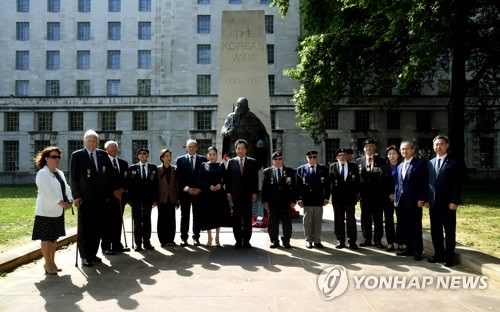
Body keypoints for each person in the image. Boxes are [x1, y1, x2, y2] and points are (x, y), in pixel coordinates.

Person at [71, 129, 115, 267]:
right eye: (89, 140)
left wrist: (109, 194)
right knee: (85, 229)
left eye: (94, 140)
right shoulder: (77, 155)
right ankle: (84, 256)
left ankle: (93, 254)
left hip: (101, 199)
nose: (92, 143)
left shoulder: (103, 154)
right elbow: (74, 178)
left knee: (97, 228)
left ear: (98, 142)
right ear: (84, 141)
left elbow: (109, 175)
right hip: (85, 198)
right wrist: (76, 196)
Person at [32, 146, 73, 275]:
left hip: (58, 212)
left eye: (58, 157)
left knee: (54, 239)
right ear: (46, 158)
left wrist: (70, 200)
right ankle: (47, 263)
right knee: (46, 239)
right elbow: (46, 191)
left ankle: (52, 262)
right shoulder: (42, 173)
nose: (57, 159)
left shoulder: (59, 172)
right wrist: (60, 202)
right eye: (54, 157)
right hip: (45, 212)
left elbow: (66, 188)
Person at [428, 135, 462, 267]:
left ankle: (449, 258)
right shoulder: (430, 163)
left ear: (447, 145)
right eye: (436, 144)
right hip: (434, 204)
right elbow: (428, 184)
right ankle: (438, 255)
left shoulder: (454, 162)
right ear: (433, 146)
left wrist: (455, 201)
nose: (438, 146)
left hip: (448, 204)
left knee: (449, 231)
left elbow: (457, 184)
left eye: (441, 144)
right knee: (435, 230)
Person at [394, 141, 429, 261]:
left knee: (415, 226)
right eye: (402, 149)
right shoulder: (399, 165)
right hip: (401, 202)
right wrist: (396, 197)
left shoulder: (420, 164)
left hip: (415, 201)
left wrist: (422, 198)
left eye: (407, 149)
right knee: (405, 226)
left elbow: (424, 183)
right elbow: (398, 184)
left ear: (413, 150)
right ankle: (408, 249)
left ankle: (418, 251)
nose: (404, 151)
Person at [225, 139, 259, 249]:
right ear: (235, 150)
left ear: (246, 150)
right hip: (235, 196)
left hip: (248, 195)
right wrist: (228, 193)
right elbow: (228, 179)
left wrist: (254, 192)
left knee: (248, 219)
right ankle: (238, 240)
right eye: (238, 148)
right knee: (236, 219)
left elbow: (255, 179)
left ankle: (247, 241)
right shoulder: (231, 162)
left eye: (243, 148)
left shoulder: (252, 162)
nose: (240, 150)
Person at [175, 139, 207, 246]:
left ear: (197, 147)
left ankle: (196, 238)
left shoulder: (203, 159)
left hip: (198, 193)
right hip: (185, 193)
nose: (191, 148)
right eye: (189, 147)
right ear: (186, 148)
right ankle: (184, 238)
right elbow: (178, 178)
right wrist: (186, 188)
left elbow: (205, 177)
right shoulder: (180, 160)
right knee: (185, 216)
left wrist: (199, 188)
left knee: (197, 215)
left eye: (193, 146)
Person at [356, 139, 387, 248]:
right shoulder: (359, 161)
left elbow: (385, 178)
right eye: (367, 147)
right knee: (365, 219)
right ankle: (367, 239)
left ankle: (378, 240)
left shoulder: (382, 161)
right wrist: (357, 194)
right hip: (364, 196)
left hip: (378, 196)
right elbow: (356, 180)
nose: (369, 148)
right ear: (364, 149)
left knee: (378, 219)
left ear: (375, 148)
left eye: (372, 146)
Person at [262, 151, 296, 249]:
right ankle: (274, 241)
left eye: (280, 159)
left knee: (287, 223)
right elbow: (265, 188)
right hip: (273, 203)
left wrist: (294, 200)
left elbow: (294, 187)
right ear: (272, 161)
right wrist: (265, 201)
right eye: (276, 159)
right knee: (272, 223)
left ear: (282, 160)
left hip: (286, 202)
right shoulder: (267, 172)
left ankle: (286, 240)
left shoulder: (290, 171)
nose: (278, 161)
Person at [296, 150, 330, 249]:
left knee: (317, 221)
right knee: (307, 222)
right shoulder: (301, 169)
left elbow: (327, 185)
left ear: (317, 158)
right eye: (310, 157)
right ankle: (308, 240)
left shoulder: (323, 169)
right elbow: (298, 186)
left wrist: (327, 197)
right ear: (307, 158)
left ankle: (317, 240)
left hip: (318, 200)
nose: (312, 159)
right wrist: (299, 199)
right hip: (306, 200)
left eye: (314, 157)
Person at [200, 146, 232, 247]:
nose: (212, 156)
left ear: (217, 155)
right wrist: (209, 186)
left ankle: (217, 238)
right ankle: (209, 237)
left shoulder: (221, 165)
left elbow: (225, 178)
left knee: (218, 216)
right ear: (207, 155)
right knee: (208, 217)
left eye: (214, 154)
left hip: (219, 195)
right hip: (208, 194)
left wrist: (220, 185)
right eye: (210, 154)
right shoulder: (203, 165)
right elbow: (201, 179)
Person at [128, 148, 158, 251]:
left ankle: (147, 242)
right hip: (136, 200)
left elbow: (156, 185)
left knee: (147, 221)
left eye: (144, 154)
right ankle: (138, 244)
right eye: (140, 154)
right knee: (137, 222)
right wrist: (130, 200)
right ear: (138, 156)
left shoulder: (153, 168)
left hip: (148, 199)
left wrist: (155, 199)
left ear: (147, 155)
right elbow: (129, 186)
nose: (142, 155)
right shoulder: (132, 168)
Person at [102, 140, 130, 255]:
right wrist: (112, 192)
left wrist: (122, 190)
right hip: (108, 198)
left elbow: (126, 180)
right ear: (106, 150)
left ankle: (116, 244)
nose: (113, 150)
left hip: (120, 198)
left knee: (118, 221)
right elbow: (102, 181)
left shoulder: (123, 163)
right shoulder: (102, 163)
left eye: (115, 148)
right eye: (111, 148)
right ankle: (106, 246)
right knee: (107, 222)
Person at [330, 148, 359, 250]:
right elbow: (329, 183)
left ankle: (352, 241)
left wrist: (357, 196)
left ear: (347, 156)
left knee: (351, 220)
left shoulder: (353, 166)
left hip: (350, 199)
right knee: (338, 220)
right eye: (340, 155)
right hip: (337, 199)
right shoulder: (332, 167)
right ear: (337, 157)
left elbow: (357, 183)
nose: (342, 157)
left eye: (344, 155)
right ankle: (340, 240)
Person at [157, 149, 179, 247]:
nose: (168, 158)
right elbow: (155, 186)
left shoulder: (175, 169)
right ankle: (162, 240)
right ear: (162, 158)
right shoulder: (157, 170)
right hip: (162, 199)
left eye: (169, 156)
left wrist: (177, 199)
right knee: (162, 220)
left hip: (172, 198)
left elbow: (177, 185)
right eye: (166, 156)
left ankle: (170, 239)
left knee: (171, 220)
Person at [384, 145, 401, 252]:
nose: (392, 156)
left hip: (400, 197)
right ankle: (390, 243)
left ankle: (400, 242)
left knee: (401, 220)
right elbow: (382, 184)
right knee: (388, 220)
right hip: (387, 198)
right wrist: (389, 194)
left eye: (394, 153)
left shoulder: (402, 166)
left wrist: (396, 194)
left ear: (398, 155)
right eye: (389, 154)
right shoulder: (384, 167)